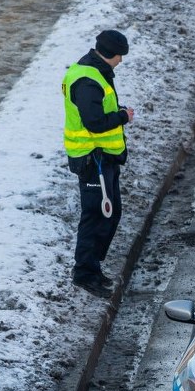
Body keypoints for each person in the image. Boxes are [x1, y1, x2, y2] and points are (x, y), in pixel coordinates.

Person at [62, 29, 134, 297]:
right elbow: (94, 122)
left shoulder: (95, 71)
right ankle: (84, 273)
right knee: (95, 215)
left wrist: (117, 112)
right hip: (93, 159)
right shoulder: (87, 80)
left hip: (104, 157)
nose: (121, 61)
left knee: (110, 213)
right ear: (111, 54)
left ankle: (92, 266)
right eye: (120, 56)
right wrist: (123, 117)